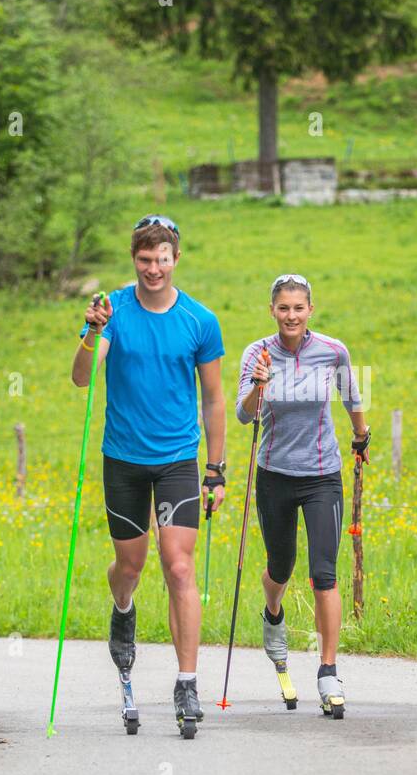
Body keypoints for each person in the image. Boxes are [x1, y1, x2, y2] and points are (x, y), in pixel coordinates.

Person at [71, 214, 227, 738]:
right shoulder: (112, 311)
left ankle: (187, 681)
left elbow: (213, 398)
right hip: (124, 459)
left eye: (162, 259)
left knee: (178, 566)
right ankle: (123, 608)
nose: (154, 268)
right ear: (133, 261)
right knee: (130, 566)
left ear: (176, 259)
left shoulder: (200, 321)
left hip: (179, 459)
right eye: (145, 260)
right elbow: (81, 377)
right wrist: (91, 333)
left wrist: (216, 469)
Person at [235, 273, 369, 718]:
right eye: (283, 308)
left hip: (322, 475)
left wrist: (362, 436)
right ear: (272, 311)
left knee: (323, 573)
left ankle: (328, 671)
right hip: (275, 475)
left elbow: (351, 395)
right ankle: (273, 611)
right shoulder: (257, 353)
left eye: (298, 307)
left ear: (311, 309)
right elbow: (242, 415)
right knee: (280, 567)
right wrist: (258, 384)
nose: (290, 315)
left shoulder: (333, 351)